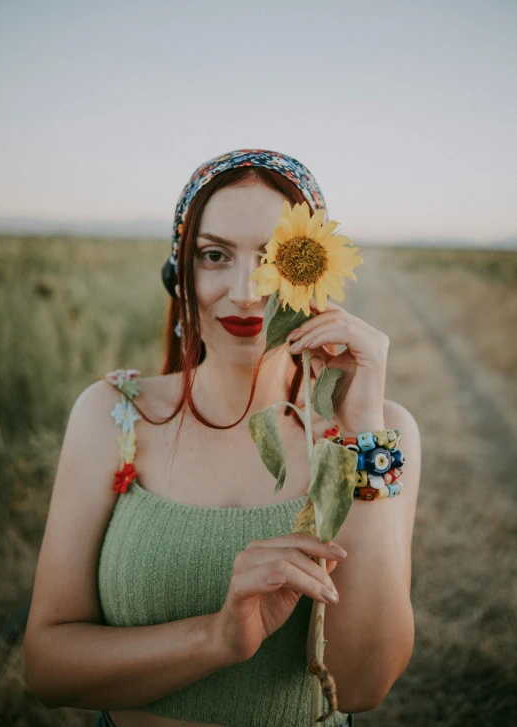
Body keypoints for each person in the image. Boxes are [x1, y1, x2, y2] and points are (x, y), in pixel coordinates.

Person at [23, 149, 421, 727]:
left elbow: (364, 685)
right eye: (214, 255)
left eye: (273, 258)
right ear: (180, 272)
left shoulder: (384, 435)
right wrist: (216, 639)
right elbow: (47, 670)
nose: (244, 291)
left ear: (313, 272)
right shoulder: (113, 414)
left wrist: (362, 435)